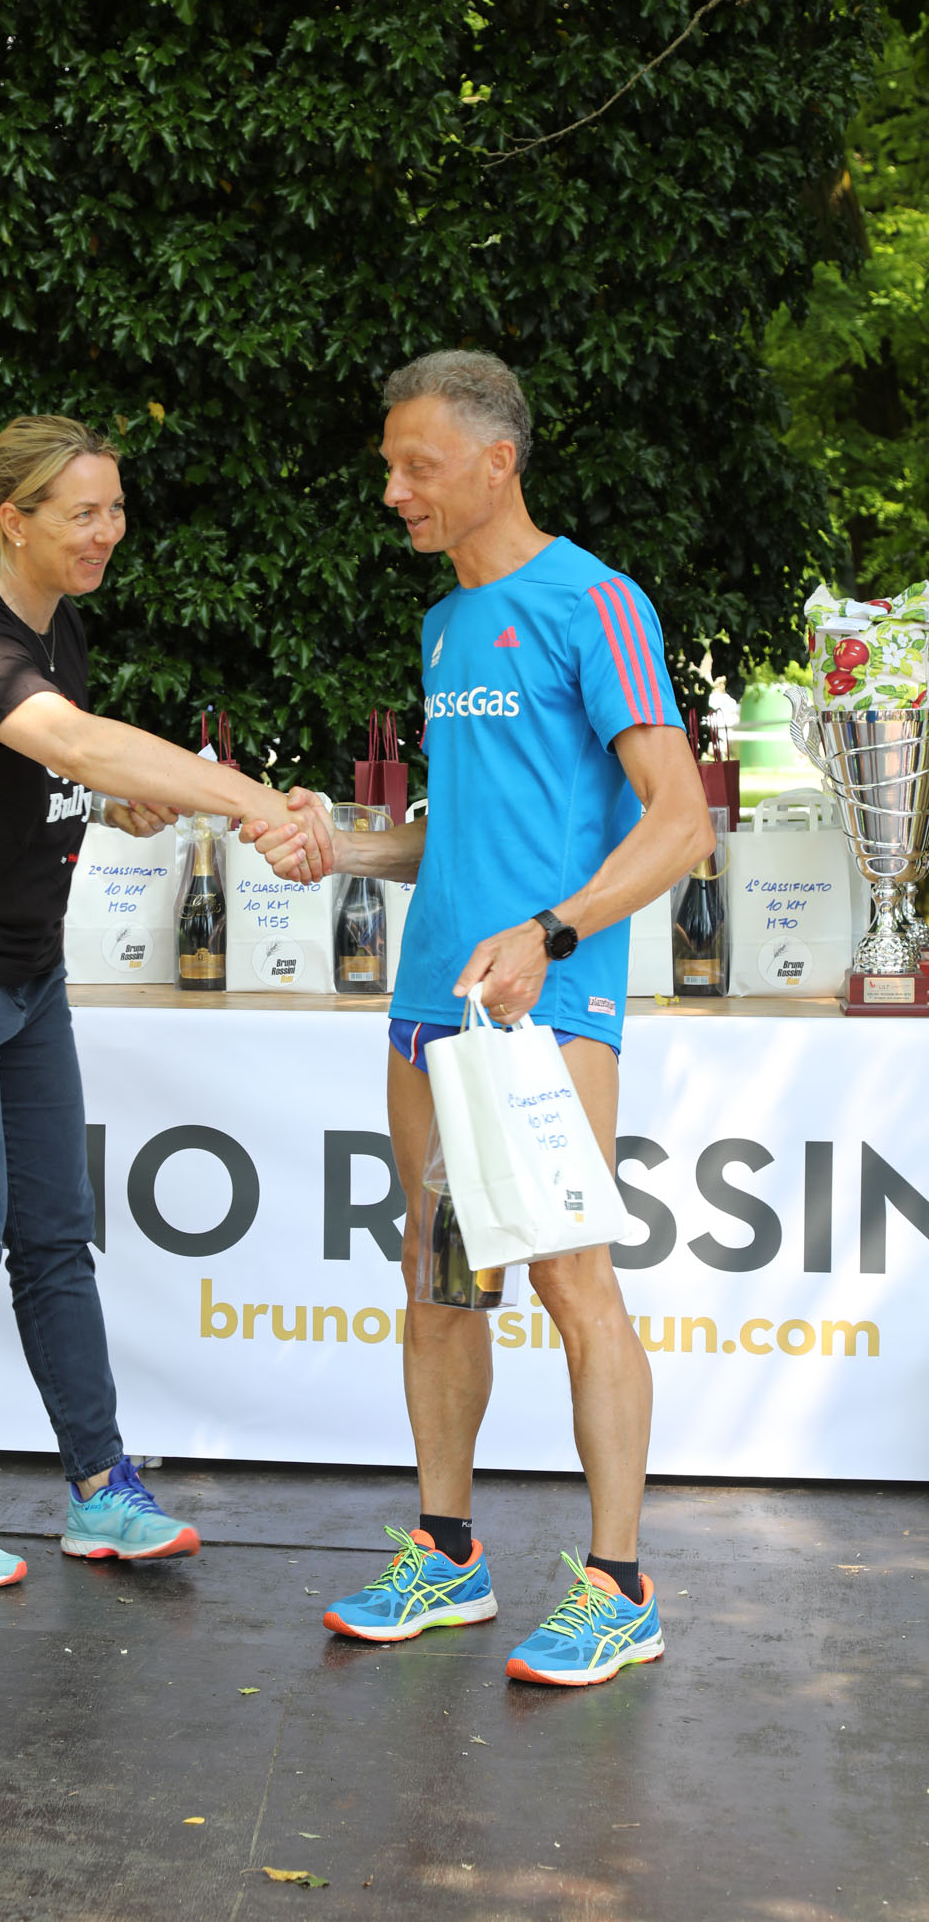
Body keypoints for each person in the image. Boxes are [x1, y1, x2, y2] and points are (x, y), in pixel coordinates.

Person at [249, 350, 714, 1684]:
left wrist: (552, 933)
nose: (394, 490)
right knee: (441, 1276)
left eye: (419, 465)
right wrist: (346, 848)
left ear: (496, 461)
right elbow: (460, 834)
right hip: (430, 1005)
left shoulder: (595, 601)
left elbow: (679, 821)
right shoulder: (447, 622)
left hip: (545, 1005)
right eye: (390, 467)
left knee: (570, 1278)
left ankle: (620, 1586)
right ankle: (447, 1553)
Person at [0, 413, 327, 1590]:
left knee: (54, 1236)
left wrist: (111, 804)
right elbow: (73, 738)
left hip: (22, 972)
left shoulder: (61, 625)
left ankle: (101, 1489)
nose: (106, 531)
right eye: (81, 512)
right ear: (14, 520)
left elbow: (49, 768)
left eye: (114, 509)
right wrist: (252, 800)